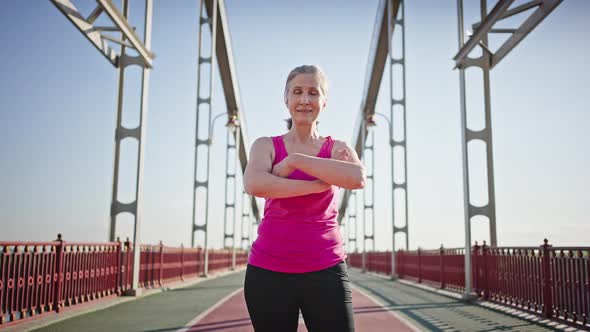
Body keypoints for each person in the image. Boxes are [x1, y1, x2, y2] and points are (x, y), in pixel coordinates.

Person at [243, 64, 366, 332]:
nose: (305, 100)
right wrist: (319, 184)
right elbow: (255, 184)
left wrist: (295, 162)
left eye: (313, 92)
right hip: (268, 272)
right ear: (285, 98)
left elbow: (357, 178)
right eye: (297, 91)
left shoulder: (339, 148)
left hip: (326, 269)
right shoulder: (265, 145)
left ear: (324, 101)